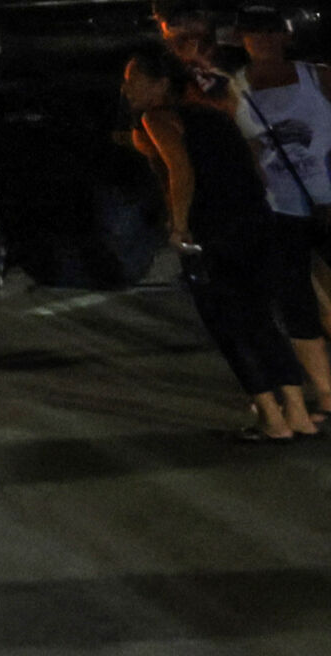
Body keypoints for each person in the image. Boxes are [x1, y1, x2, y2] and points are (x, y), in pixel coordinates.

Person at [126, 46, 328, 439]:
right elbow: (253, 165)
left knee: (230, 324)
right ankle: (298, 414)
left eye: (134, 81)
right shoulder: (215, 115)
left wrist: (179, 227)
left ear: (160, 84)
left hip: (213, 232)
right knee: (263, 321)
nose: (127, 89)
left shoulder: (159, 118)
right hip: (255, 222)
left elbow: (180, 172)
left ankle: (271, 418)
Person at [229, 8, 331, 327]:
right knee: (298, 296)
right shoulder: (233, 90)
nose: (264, 39)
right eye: (254, 31)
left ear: (286, 35)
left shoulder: (319, 76)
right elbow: (244, 151)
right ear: (240, 38)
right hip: (280, 209)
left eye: (272, 30)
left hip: (327, 199)